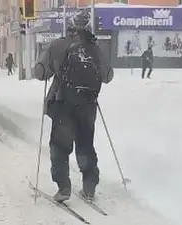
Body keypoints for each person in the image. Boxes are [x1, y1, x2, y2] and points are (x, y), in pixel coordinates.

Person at [34, 10, 114, 202]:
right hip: (87, 106)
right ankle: (89, 187)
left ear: (69, 26)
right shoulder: (95, 48)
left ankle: (64, 188)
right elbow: (107, 76)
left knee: (60, 147)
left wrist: (46, 62)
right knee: (85, 145)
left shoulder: (58, 45)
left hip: (64, 104)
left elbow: (40, 73)